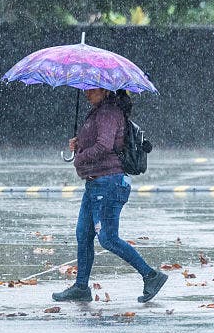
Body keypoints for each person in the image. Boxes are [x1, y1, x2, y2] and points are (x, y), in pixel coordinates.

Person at [51, 87, 168, 303]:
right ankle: (81, 287)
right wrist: (79, 144)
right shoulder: (101, 111)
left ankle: (151, 276)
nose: (86, 92)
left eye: (91, 88)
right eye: (84, 88)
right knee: (84, 235)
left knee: (107, 238)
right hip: (96, 183)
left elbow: (104, 146)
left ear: (105, 89)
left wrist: (80, 157)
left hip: (108, 184)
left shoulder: (107, 112)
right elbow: (102, 141)